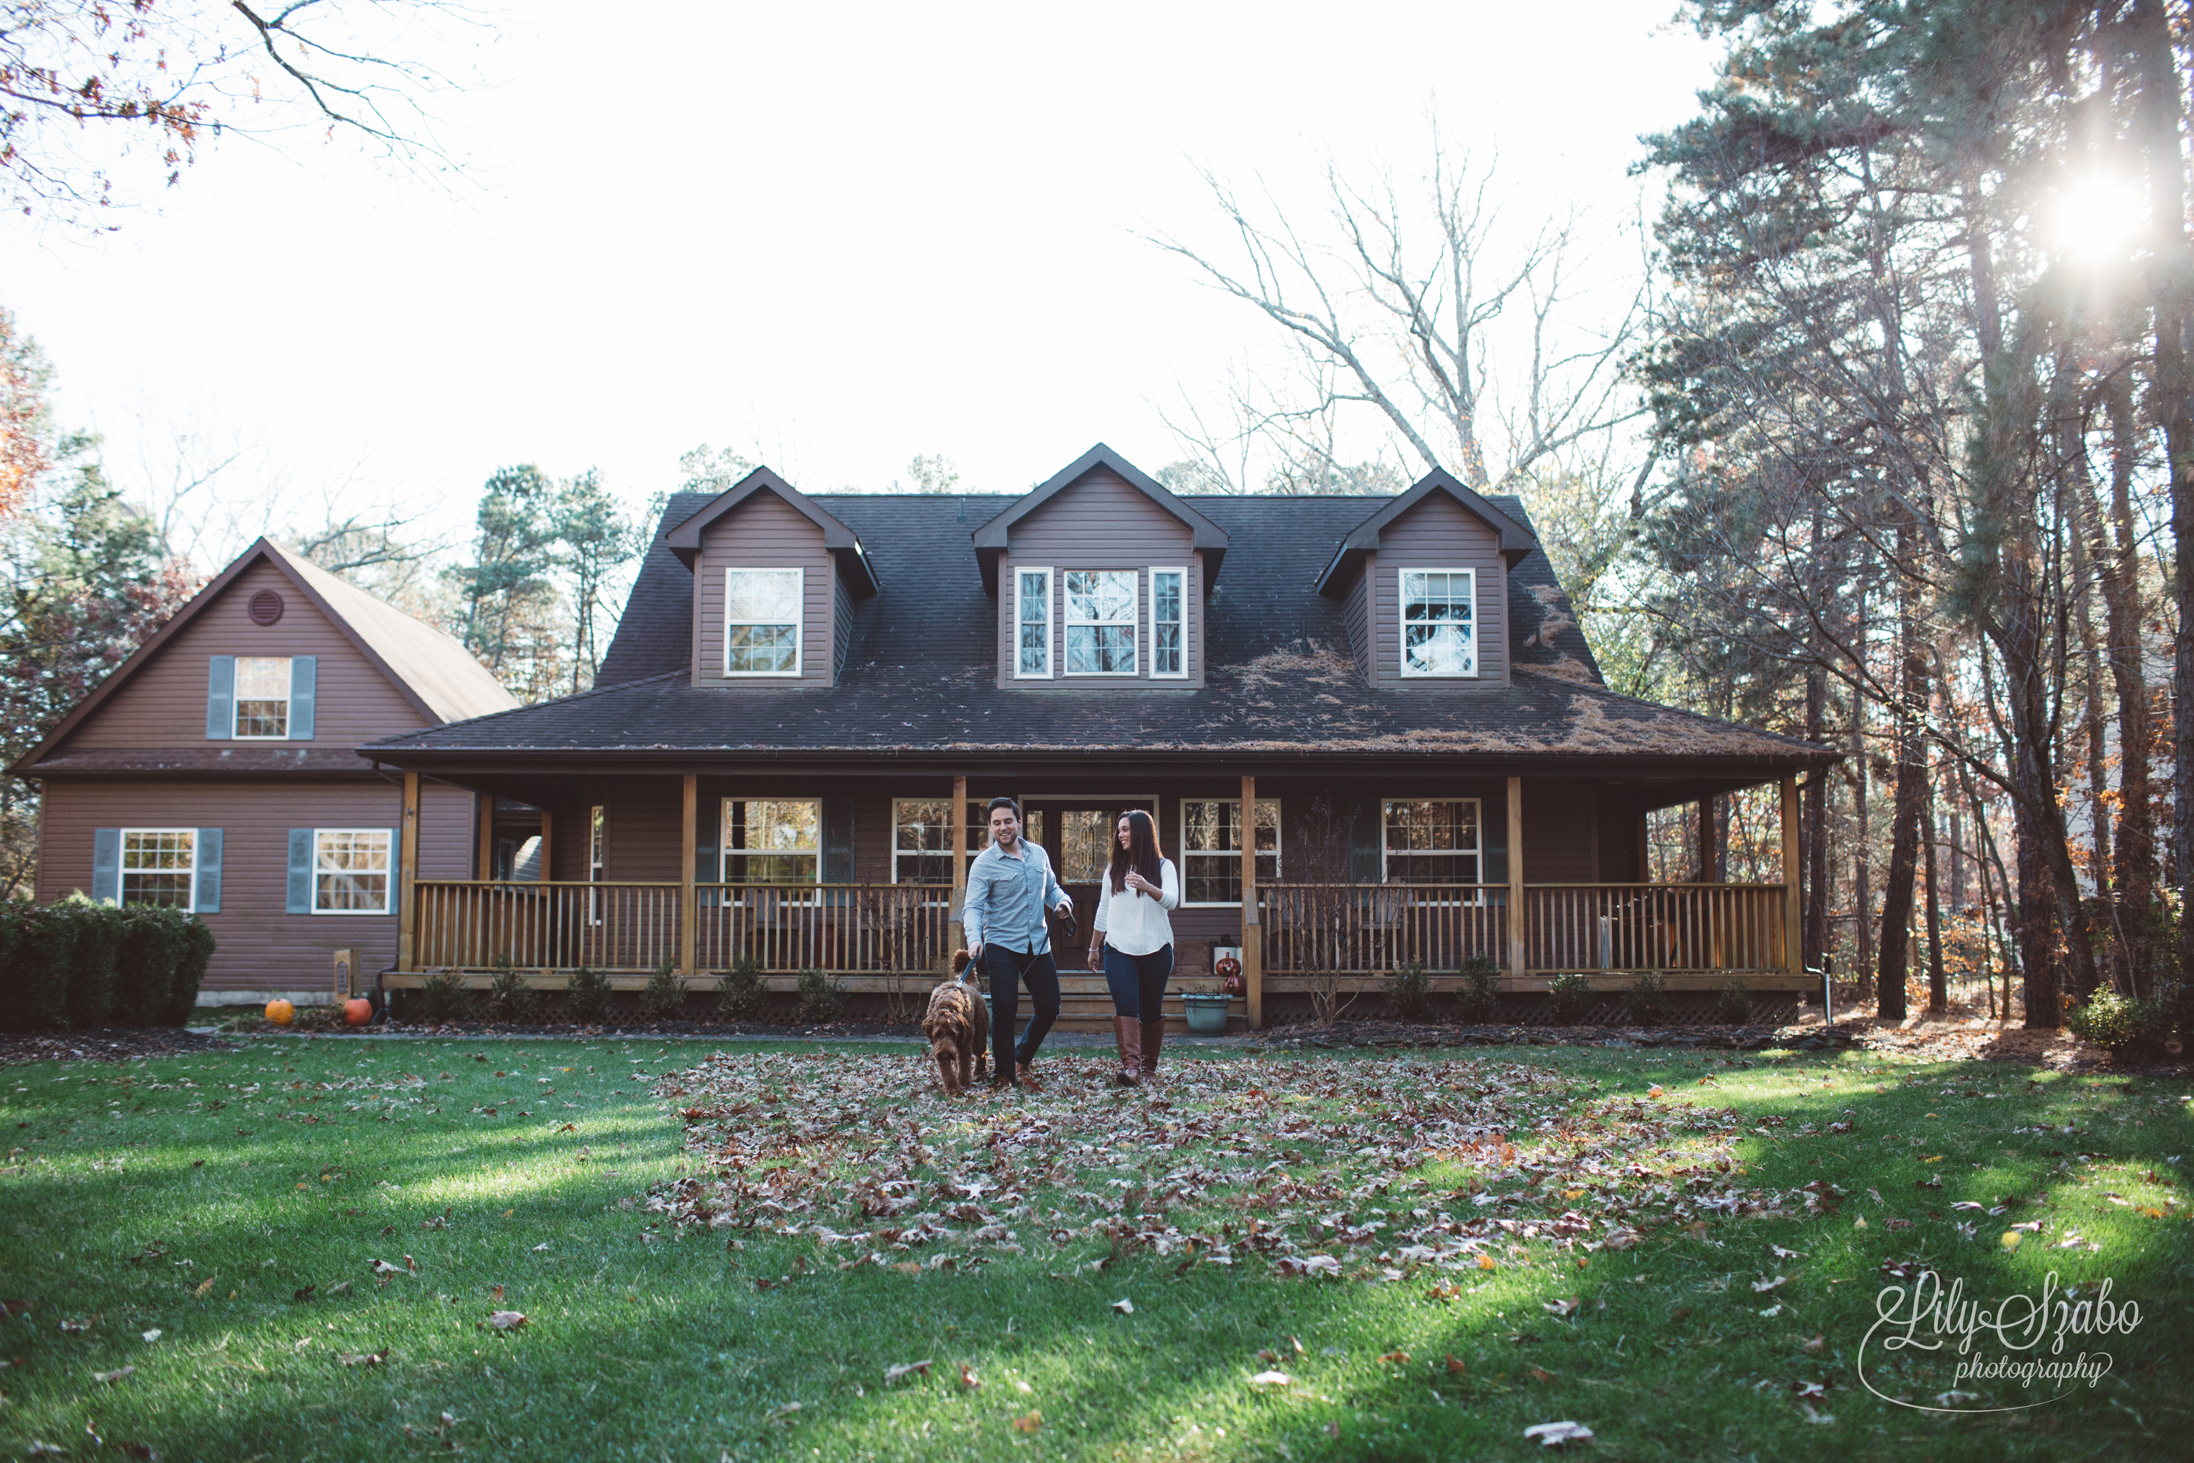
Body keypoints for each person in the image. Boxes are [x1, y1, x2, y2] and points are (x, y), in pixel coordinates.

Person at [963, 796, 1074, 1091]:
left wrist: (1062, 902)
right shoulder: (984, 864)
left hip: (1037, 945)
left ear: (1019, 822)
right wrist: (974, 939)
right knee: (1005, 1007)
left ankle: (1019, 1058)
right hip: (1001, 944)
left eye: (1008, 821)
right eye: (996, 823)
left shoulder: (1038, 854)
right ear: (990, 826)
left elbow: (1051, 889)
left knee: (1050, 1007)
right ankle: (1003, 1073)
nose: (1003, 827)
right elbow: (972, 907)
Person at [1089, 809, 1179, 1086]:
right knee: (1126, 1007)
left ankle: (1149, 1069)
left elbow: (1172, 901)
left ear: (1140, 831)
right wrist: (1094, 947)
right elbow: (1104, 909)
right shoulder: (1113, 869)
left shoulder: (1163, 867)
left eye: (1125, 829)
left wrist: (1147, 886)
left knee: (1151, 1010)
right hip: (1118, 949)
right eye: (1119, 830)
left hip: (1156, 949)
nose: (1120, 835)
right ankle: (1131, 1069)